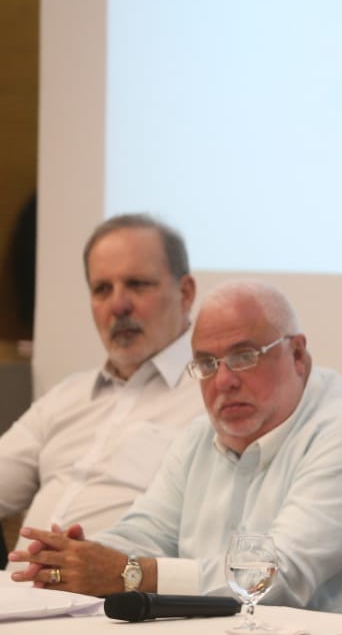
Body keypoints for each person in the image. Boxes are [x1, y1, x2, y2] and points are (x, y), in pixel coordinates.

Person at [9, 280, 342, 624]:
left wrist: (130, 573)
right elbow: (147, 530)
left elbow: (277, 577)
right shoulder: (200, 437)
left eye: (243, 357)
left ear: (298, 354)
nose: (223, 382)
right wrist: (78, 557)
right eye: (206, 364)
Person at [0, 213, 201, 547]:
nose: (118, 305)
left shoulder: (214, 399)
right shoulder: (67, 396)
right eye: (102, 289)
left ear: (186, 292)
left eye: (137, 284)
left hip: (122, 580)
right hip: (16, 580)